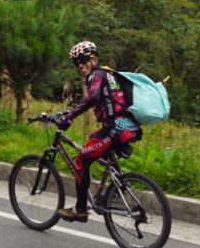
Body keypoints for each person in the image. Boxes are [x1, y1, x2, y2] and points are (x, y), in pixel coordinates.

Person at [56, 41, 142, 223]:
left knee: (81, 160)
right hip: (127, 125)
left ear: (93, 58)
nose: (80, 65)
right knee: (94, 139)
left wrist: (70, 116)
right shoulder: (109, 74)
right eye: (76, 63)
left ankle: (80, 210)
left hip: (115, 128)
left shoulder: (97, 74)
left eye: (83, 60)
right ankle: (116, 188)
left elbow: (93, 97)